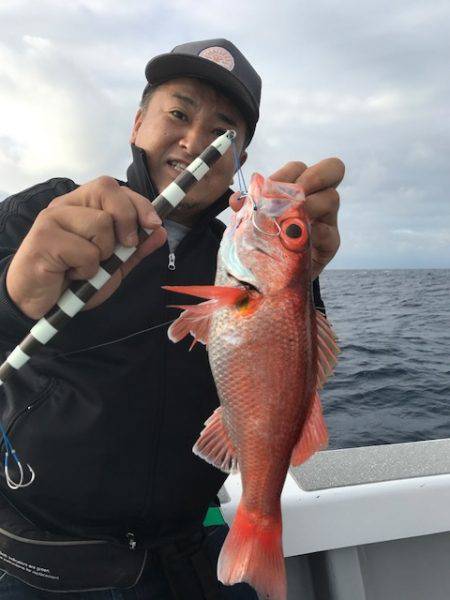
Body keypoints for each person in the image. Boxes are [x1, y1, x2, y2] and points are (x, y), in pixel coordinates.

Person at [0, 39, 344, 599]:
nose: (194, 141)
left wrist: (303, 277)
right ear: (138, 124)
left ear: (240, 161)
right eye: (179, 114)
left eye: (223, 132)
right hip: (46, 558)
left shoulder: (235, 251)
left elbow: (290, 365)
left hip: (192, 551)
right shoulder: (48, 213)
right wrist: (14, 296)